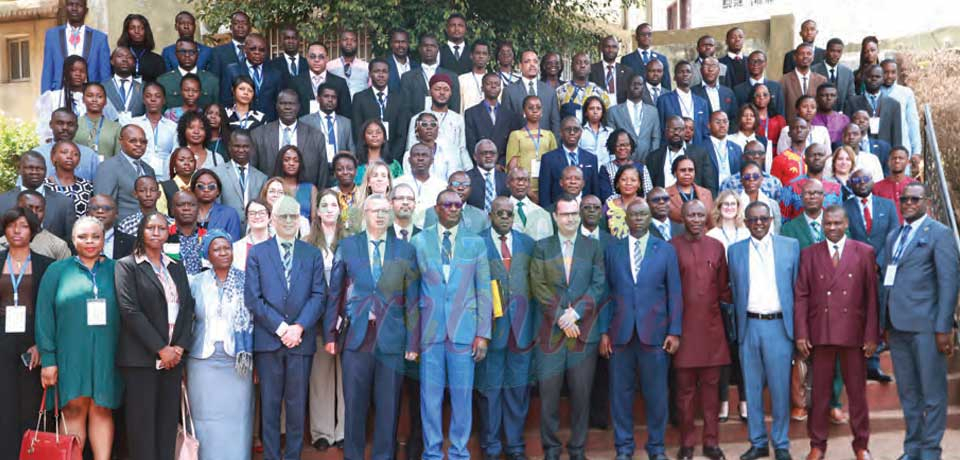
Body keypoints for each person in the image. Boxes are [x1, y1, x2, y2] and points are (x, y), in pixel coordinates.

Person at [327, 193, 419, 460]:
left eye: (384, 211)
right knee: (355, 406)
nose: (379, 215)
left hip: (392, 339)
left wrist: (413, 342)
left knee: (389, 408)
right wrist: (331, 334)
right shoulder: (348, 245)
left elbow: (413, 299)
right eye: (374, 210)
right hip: (357, 338)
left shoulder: (405, 250)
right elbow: (335, 293)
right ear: (364, 214)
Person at [409, 189, 492, 460]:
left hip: (464, 332)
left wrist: (483, 334)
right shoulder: (419, 242)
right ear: (437, 208)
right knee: (429, 398)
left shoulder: (476, 243)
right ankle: (432, 453)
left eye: (458, 205)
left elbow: (484, 290)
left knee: (462, 398)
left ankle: (459, 453)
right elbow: (412, 292)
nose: (454, 208)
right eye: (448, 204)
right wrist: (413, 338)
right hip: (430, 331)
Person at [880, 182, 959, 460]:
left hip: (927, 328)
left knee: (933, 394)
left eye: (915, 199)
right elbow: (888, 280)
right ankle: (912, 449)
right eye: (905, 199)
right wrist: (885, 321)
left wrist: (944, 327)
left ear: (927, 202)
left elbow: (949, 283)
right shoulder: (894, 235)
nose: (909, 203)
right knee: (908, 394)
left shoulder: (940, 234)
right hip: (897, 327)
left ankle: (930, 451)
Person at [246, 195, 326, 460]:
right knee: (269, 406)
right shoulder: (257, 253)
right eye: (284, 216)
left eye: (294, 216)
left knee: (296, 407)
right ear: (272, 219)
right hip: (269, 342)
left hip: (301, 342)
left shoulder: (312, 253)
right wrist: (282, 328)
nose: (289, 221)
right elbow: (253, 298)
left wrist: (299, 327)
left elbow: (319, 295)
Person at [794, 206, 878, 460]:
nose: (832, 227)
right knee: (819, 395)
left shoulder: (864, 252)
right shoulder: (809, 254)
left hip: (854, 334)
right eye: (828, 223)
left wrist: (871, 335)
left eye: (837, 223)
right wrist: (801, 333)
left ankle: (861, 445)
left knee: (857, 394)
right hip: (821, 332)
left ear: (846, 224)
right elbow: (801, 296)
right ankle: (817, 445)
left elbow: (871, 297)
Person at [35, 216, 120, 460]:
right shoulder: (57, 271)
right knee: (73, 408)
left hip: (108, 353)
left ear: (104, 240)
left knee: (102, 408)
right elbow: (44, 316)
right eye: (83, 236)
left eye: (95, 236)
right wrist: (48, 359)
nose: (89, 241)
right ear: (72, 240)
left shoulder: (118, 269)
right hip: (70, 353)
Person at [600, 198, 680, 460]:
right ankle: (623, 448)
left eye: (643, 214)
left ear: (649, 218)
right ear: (626, 218)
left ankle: (656, 448)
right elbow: (605, 293)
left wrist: (674, 331)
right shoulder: (613, 249)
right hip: (620, 334)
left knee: (656, 395)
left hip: (655, 335)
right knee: (620, 395)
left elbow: (674, 293)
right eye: (633, 215)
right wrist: (604, 332)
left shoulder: (665, 250)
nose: (637, 219)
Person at [115, 212, 195, 460]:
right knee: (142, 427)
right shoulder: (127, 265)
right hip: (142, 360)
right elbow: (130, 311)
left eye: (161, 228)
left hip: (173, 360)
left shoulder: (175, 266)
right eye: (151, 228)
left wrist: (179, 347)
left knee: (167, 425)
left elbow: (188, 308)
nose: (156, 232)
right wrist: (161, 349)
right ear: (141, 231)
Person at [530, 196, 604, 460]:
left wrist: (575, 313)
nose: (570, 218)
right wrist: (561, 316)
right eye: (565, 214)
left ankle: (577, 449)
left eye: (574, 214)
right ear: (555, 217)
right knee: (549, 396)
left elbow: (598, 284)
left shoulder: (593, 247)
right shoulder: (542, 247)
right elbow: (538, 285)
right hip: (551, 335)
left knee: (581, 396)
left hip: (583, 334)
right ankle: (551, 449)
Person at [727, 201, 800, 460]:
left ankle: (781, 443)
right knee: (752, 387)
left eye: (763, 219)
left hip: (779, 326)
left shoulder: (790, 246)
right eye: (753, 220)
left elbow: (798, 290)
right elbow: (733, 290)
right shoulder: (735, 251)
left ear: (771, 220)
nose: (758, 223)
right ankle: (757, 442)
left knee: (780, 388)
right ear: (745, 223)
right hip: (749, 326)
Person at [670, 200, 731, 460]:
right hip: (683, 332)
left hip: (712, 331)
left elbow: (724, 289)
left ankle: (711, 443)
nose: (695, 219)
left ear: (706, 218)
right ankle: (687, 444)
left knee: (711, 393)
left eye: (699, 215)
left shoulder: (716, 247)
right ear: (682, 218)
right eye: (691, 215)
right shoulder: (672, 247)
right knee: (684, 394)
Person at [475, 196, 536, 460]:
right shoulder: (476, 243)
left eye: (508, 214)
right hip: (490, 331)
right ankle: (491, 447)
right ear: (490, 215)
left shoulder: (528, 244)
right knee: (489, 390)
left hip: (521, 331)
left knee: (518, 390)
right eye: (499, 213)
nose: (504, 218)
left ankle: (515, 447)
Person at [185, 230, 254, 460]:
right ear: (208, 254)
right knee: (204, 418)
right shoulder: (196, 282)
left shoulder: (247, 280)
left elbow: (256, 320)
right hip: (202, 361)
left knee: (238, 418)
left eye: (227, 248)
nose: (223, 253)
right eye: (217, 249)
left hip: (238, 361)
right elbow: (187, 320)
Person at [0, 207, 53, 458]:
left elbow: (51, 310)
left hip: (33, 342)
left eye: (23, 225)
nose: (17, 230)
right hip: (2, 340)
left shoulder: (47, 265)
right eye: (12, 225)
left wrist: (42, 344)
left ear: (32, 230)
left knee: (31, 405)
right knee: (4, 403)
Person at [844, 169, 898, 384]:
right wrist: (863, 262)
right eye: (856, 180)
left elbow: (893, 235)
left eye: (865, 179)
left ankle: (873, 364)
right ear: (850, 184)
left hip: (880, 271)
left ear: (872, 181)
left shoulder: (888, 205)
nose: (861, 183)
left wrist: (878, 262)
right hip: (855, 270)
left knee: (877, 315)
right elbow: (845, 237)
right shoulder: (844, 207)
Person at [303, 190, 346, 449]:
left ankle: (343, 431)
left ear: (340, 210)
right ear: (317, 212)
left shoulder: (351, 241)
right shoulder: (307, 243)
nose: (330, 209)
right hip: (318, 319)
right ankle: (322, 432)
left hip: (345, 318)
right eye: (324, 205)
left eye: (334, 205)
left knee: (346, 376)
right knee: (320, 375)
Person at [706, 190, 751, 421]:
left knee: (743, 351)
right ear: (718, 207)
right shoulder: (712, 235)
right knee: (722, 352)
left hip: (745, 298)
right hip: (721, 299)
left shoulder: (747, 232)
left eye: (733, 204)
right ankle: (723, 401)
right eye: (725, 204)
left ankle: (744, 402)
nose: (730, 207)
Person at [252, 90, 329, 187]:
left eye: (292, 104)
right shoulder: (258, 135)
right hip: (269, 193)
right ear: (276, 106)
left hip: (305, 194)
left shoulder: (316, 136)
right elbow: (253, 173)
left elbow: (323, 175)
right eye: (283, 103)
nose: (287, 107)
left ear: (298, 107)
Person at [403, 73, 471, 180]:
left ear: (451, 93)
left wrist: (469, 170)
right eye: (437, 89)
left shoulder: (458, 119)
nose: (442, 93)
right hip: (424, 170)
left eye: (446, 89)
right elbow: (411, 147)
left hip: (452, 169)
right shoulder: (417, 118)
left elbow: (462, 148)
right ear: (430, 92)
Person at [0, 151, 78, 240]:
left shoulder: (64, 204)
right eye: (30, 168)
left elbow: (71, 240)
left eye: (40, 168)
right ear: (19, 169)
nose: (35, 172)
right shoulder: (2, 201)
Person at [538, 116, 612, 209]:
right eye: (568, 129)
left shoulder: (591, 158)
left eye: (576, 129)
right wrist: (548, 213)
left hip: (585, 211)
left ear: (581, 132)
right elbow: (544, 192)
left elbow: (595, 191)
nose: (572, 132)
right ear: (561, 132)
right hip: (558, 211)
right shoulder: (548, 159)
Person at [40, 0, 110, 92]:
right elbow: (47, 72)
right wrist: (46, 97)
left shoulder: (100, 38)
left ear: (86, 10)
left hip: (90, 96)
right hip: (59, 94)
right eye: (70, 4)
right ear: (65, 8)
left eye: (79, 5)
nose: (74, 8)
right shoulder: (52, 35)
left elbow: (105, 77)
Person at [220, 33, 285, 121]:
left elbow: (279, 102)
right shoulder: (232, 70)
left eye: (262, 50)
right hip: (240, 123)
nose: (257, 52)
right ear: (244, 49)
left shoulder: (275, 74)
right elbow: (225, 101)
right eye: (252, 49)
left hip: (268, 123)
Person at [505, 96, 559, 200]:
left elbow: (554, 163)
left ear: (542, 112)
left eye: (538, 107)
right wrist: (528, 191)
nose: (535, 111)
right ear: (524, 112)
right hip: (523, 187)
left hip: (546, 186)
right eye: (530, 108)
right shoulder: (516, 135)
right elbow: (512, 167)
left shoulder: (549, 135)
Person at [353, 58, 408, 157]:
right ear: (370, 74)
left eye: (384, 71)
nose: (381, 75)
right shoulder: (359, 98)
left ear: (389, 74)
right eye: (376, 71)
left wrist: (392, 158)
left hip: (394, 156)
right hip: (367, 156)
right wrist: (369, 156)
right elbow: (358, 132)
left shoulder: (400, 98)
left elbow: (402, 133)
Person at [502, 50, 561, 138]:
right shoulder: (509, 91)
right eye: (527, 61)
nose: (532, 64)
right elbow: (506, 124)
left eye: (535, 61)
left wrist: (555, 144)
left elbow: (555, 123)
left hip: (545, 143)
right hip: (520, 143)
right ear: (520, 66)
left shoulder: (550, 91)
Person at [645, 116, 715, 191]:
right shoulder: (653, 157)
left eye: (679, 129)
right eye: (672, 130)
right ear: (666, 132)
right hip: (663, 197)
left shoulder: (700, 154)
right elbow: (650, 188)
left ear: (684, 131)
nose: (676, 133)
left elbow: (709, 185)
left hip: (692, 197)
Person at [400, 33, 462, 116]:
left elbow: (455, 107)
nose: (429, 49)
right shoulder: (407, 77)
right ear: (419, 49)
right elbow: (405, 109)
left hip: (444, 122)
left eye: (432, 46)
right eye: (425, 46)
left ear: (438, 49)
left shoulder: (452, 76)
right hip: (416, 122)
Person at [31, 108, 101, 181]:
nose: (65, 128)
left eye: (70, 124)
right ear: (51, 125)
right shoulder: (37, 155)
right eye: (60, 123)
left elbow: (99, 185)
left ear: (76, 127)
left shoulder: (89, 156)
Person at [214, 129, 268, 221]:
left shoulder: (261, 178)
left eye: (245, 146)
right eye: (237, 146)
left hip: (253, 226)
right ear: (229, 147)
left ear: (252, 148)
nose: (241, 150)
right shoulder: (217, 173)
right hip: (227, 225)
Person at [779, 144, 843, 221]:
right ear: (805, 159)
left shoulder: (835, 188)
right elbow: (783, 219)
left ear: (826, 159)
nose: (817, 158)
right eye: (812, 155)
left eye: (820, 155)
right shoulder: (791, 186)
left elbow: (839, 218)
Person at [0, 192, 71, 261]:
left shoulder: (58, 245)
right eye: (29, 208)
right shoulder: (2, 243)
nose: (34, 213)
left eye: (39, 210)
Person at [844, 65, 902, 148]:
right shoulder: (852, 102)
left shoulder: (893, 104)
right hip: (861, 149)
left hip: (885, 151)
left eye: (877, 77)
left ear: (883, 79)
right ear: (864, 78)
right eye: (870, 76)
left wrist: (897, 151)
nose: (874, 79)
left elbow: (897, 135)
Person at [606, 73, 660, 161]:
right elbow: (612, 140)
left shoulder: (653, 111)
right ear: (627, 86)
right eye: (633, 84)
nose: (636, 86)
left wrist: (652, 159)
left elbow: (656, 138)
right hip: (622, 162)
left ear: (644, 87)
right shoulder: (613, 111)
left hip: (647, 161)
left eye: (639, 84)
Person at [290, 42, 352, 118]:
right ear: (307, 58)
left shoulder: (339, 83)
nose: (317, 60)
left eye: (321, 57)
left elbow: (346, 114)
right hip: (303, 124)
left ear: (327, 59)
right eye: (312, 56)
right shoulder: (295, 82)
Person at [37, 56, 89, 143]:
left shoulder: (93, 98)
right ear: (66, 72)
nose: (78, 74)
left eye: (82, 71)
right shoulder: (53, 98)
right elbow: (45, 131)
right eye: (73, 70)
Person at [157, 38, 219, 109]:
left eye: (191, 52)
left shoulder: (211, 80)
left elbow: (216, 109)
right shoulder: (163, 81)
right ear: (176, 54)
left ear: (197, 54)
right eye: (182, 52)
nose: (187, 55)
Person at [132, 82, 179, 175]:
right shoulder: (134, 124)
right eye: (148, 96)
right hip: (138, 175)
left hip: (165, 176)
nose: (153, 99)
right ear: (143, 100)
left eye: (157, 96)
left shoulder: (173, 127)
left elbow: (176, 154)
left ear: (164, 100)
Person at [657, 61, 710, 145]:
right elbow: (660, 130)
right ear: (674, 77)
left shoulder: (702, 103)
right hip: (673, 148)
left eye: (688, 72)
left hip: (697, 149)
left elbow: (705, 132)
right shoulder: (664, 100)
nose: (685, 74)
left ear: (692, 76)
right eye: (681, 72)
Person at [422, 171, 490, 234]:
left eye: (466, 184)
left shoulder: (481, 216)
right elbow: (428, 239)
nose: (460, 188)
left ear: (471, 189)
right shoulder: (433, 212)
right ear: (448, 187)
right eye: (456, 184)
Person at [879, 59, 922, 159]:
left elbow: (912, 123)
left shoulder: (906, 93)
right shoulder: (875, 93)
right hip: (880, 148)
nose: (889, 76)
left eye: (893, 72)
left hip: (902, 147)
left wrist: (916, 151)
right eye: (885, 72)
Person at [300, 83, 357, 156]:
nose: (330, 100)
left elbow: (351, 149)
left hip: (340, 162)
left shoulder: (346, 123)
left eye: (334, 97)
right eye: (326, 96)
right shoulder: (306, 121)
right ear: (318, 99)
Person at [43, 140, 95, 217]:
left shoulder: (88, 186)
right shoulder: (45, 185)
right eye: (64, 152)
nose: (70, 156)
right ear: (53, 157)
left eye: (75, 154)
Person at [557, 53, 612, 122]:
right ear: (572, 67)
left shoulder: (600, 92)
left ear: (590, 68)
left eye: (586, 63)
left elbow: (608, 118)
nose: (582, 65)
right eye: (578, 63)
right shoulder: (560, 91)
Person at [781, 44, 826, 124]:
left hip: (815, 126)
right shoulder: (784, 80)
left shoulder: (821, 80)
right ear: (795, 57)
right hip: (792, 126)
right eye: (802, 54)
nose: (805, 56)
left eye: (809, 54)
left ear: (813, 57)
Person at [602, 129, 654, 198]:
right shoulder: (606, 169)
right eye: (619, 145)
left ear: (631, 146)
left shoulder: (642, 168)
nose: (622, 148)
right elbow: (606, 196)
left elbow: (649, 193)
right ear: (612, 146)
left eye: (626, 145)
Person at [700, 111, 743, 193]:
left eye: (725, 122)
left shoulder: (737, 148)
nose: (722, 125)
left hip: (733, 193)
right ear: (709, 125)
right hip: (710, 193)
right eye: (718, 122)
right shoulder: (701, 147)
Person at [192, 169, 242, 240]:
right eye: (201, 186)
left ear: (218, 191)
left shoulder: (229, 214)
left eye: (211, 186)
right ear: (193, 190)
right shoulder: (185, 212)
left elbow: (234, 243)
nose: (206, 190)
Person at [733, 51, 785, 117]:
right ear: (747, 64)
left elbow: (781, 114)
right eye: (752, 61)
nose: (755, 64)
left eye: (759, 61)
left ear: (765, 64)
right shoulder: (738, 90)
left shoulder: (776, 87)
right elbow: (736, 116)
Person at [506, 167, 553, 241]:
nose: (521, 183)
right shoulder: (500, 211)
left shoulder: (543, 213)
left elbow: (549, 243)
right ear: (508, 183)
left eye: (525, 180)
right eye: (516, 179)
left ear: (529, 184)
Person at [273, 146, 318, 221]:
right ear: (280, 163)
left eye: (296, 160)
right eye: (286, 160)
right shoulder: (274, 186)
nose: (291, 163)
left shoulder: (311, 189)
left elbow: (314, 220)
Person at [75, 82, 121, 156]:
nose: (94, 100)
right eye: (90, 96)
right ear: (83, 99)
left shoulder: (116, 127)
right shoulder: (74, 124)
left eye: (99, 96)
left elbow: (118, 156)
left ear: (105, 101)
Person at [621, 23, 672, 90]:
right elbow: (624, 85)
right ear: (636, 37)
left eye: (649, 34)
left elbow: (666, 86)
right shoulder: (627, 60)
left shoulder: (662, 59)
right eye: (643, 34)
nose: (646, 37)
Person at [873, 147, 917, 223]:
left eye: (901, 158)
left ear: (908, 162)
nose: (897, 161)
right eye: (894, 158)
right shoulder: (876, 187)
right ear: (888, 162)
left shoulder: (916, 186)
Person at [666, 156, 714, 225]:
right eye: (683, 170)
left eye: (690, 170)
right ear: (675, 173)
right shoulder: (665, 194)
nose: (687, 173)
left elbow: (711, 221)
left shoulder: (706, 193)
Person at [811, 38, 855, 113]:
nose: (835, 54)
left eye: (839, 51)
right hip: (819, 115)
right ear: (826, 51)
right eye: (832, 51)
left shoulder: (848, 73)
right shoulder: (813, 70)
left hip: (841, 116)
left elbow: (850, 97)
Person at [116, 14, 164, 82]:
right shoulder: (118, 57)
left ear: (146, 31)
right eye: (132, 28)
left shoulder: (157, 60)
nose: (137, 31)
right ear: (127, 31)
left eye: (141, 28)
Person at [103, 46, 145, 122]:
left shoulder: (143, 87)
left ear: (134, 63)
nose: (125, 59)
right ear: (112, 61)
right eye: (120, 56)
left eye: (129, 57)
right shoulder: (102, 87)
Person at [738, 161, 782, 234]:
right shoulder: (735, 204)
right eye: (747, 177)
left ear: (762, 179)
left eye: (755, 176)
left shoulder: (772, 204)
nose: (751, 179)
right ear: (741, 180)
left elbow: (777, 230)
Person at [166, 191, 205, 274]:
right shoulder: (163, 237)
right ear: (172, 210)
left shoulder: (208, 237)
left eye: (192, 205)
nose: (186, 208)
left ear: (198, 209)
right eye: (180, 205)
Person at [605, 164, 647, 238]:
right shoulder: (608, 207)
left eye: (633, 180)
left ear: (639, 184)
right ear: (617, 183)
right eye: (623, 179)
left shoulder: (646, 206)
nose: (628, 183)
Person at [465, 139, 508, 212]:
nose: (488, 156)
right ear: (475, 156)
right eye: (484, 153)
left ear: (497, 156)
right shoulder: (466, 178)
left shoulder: (506, 179)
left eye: (492, 153)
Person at [590, 35, 635, 104]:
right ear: (601, 48)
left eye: (614, 47)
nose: (611, 50)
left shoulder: (627, 72)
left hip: (620, 109)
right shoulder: (591, 70)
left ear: (618, 49)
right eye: (607, 46)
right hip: (599, 108)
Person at [87, 194, 134, 260]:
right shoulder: (76, 241)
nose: (100, 211)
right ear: (88, 213)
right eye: (95, 208)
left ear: (116, 213)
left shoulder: (131, 242)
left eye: (107, 208)